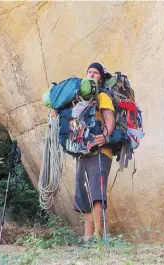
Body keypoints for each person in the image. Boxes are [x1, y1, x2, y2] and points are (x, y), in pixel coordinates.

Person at [74, 62, 115, 241]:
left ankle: (98, 238)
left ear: (101, 77)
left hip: (101, 152)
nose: (91, 74)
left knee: (96, 195)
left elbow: (109, 118)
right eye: (89, 71)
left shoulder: (102, 95)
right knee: (84, 196)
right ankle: (87, 238)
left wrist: (105, 135)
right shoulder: (81, 99)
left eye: (95, 72)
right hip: (84, 153)